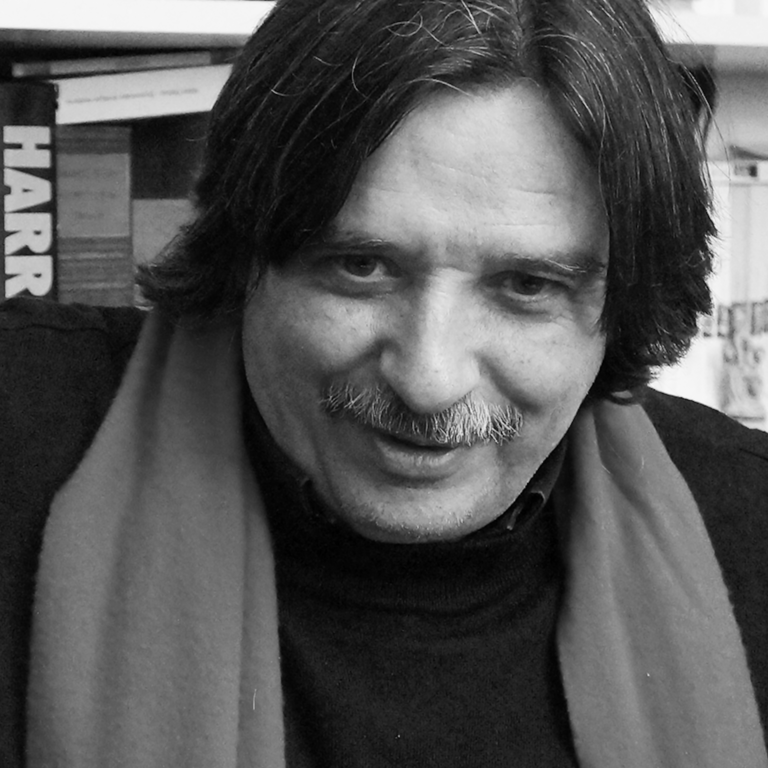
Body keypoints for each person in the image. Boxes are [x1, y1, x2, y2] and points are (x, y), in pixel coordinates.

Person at [2, 0, 767, 766]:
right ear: (245, 250)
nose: (429, 381)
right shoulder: (22, 433)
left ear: (625, 303)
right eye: (361, 267)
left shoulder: (749, 528)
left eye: (527, 286)